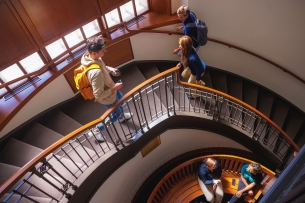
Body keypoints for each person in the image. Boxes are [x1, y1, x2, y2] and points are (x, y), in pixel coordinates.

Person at [81, 35, 133, 141]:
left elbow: (102, 66)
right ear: (94, 53)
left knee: (121, 102)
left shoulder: (90, 56)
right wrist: (115, 88)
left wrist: (110, 69)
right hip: (107, 97)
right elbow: (98, 95)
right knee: (112, 115)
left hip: (111, 88)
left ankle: (121, 116)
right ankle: (96, 130)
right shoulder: (95, 73)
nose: (106, 51)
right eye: (103, 50)